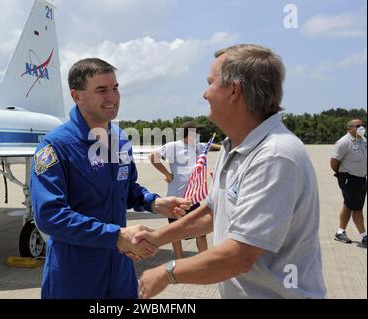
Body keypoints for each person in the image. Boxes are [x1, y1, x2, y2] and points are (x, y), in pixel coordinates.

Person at [134, 44, 327, 299]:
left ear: (234, 90)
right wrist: (157, 238)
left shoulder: (274, 155)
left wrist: (166, 272)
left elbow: (239, 256)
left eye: (210, 82)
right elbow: (213, 212)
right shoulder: (234, 144)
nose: (205, 94)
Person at [30, 58, 191, 299]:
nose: (112, 97)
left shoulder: (119, 138)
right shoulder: (56, 146)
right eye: (101, 90)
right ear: (77, 96)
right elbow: (49, 216)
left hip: (120, 269)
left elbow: (126, 189)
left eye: (115, 88)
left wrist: (153, 203)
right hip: (75, 274)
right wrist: (115, 236)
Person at [149, 121, 220, 259]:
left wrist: (225, 146)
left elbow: (212, 146)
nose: (198, 135)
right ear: (189, 134)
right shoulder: (173, 146)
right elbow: (153, 156)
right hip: (175, 198)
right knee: (175, 234)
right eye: (196, 132)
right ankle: (179, 261)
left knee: (200, 232)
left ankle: (203, 261)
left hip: (193, 199)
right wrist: (167, 174)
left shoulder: (197, 147)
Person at [331, 119, 367, 247]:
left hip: (361, 179)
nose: (361, 127)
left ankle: (340, 232)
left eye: (363, 125)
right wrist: (342, 173)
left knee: (349, 204)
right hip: (349, 179)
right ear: (349, 129)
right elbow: (334, 161)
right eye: (358, 126)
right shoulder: (344, 142)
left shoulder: (363, 140)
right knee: (357, 208)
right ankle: (364, 237)